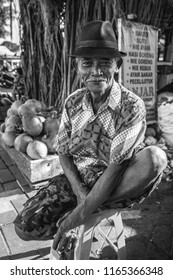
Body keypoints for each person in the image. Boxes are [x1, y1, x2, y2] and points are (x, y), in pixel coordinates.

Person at [14, 21, 167, 258]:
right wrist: (80, 193)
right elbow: (63, 151)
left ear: (117, 65)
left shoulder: (132, 106)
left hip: (116, 183)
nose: (96, 71)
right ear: (77, 68)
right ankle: (83, 209)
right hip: (78, 178)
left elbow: (115, 170)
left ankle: (87, 212)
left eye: (104, 62)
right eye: (87, 63)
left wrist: (76, 217)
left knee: (156, 157)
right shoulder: (72, 102)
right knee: (22, 228)